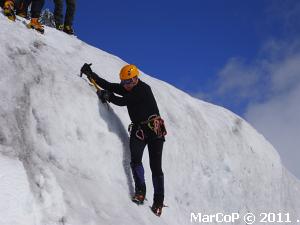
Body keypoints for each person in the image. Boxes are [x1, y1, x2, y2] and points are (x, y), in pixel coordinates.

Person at [80, 63, 167, 216]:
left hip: (154, 132)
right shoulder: (129, 87)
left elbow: (122, 101)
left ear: (135, 79)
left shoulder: (142, 89)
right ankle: (140, 191)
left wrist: (108, 96)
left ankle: (158, 202)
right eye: (123, 82)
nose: (124, 85)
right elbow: (110, 86)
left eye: (127, 82)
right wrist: (91, 74)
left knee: (156, 167)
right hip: (139, 131)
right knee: (135, 160)